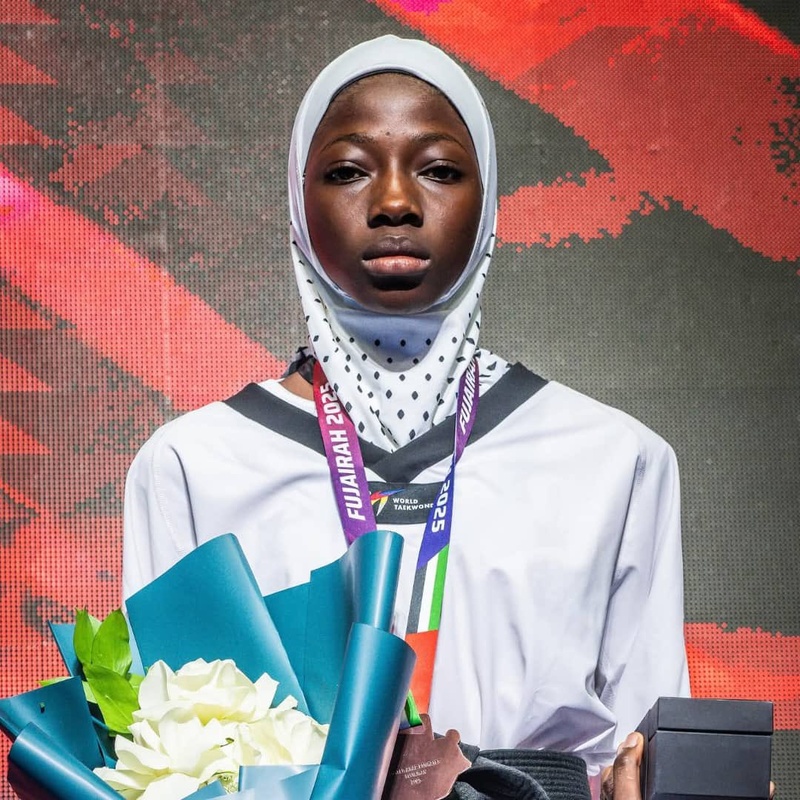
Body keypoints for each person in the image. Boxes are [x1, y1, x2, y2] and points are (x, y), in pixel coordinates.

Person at [122, 35, 689, 796]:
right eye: (350, 171)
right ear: (297, 199)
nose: (395, 201)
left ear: (487, 201)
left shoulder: (616, 461)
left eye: (440, 170)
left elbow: (648, 759)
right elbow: (161, 757)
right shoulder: (191, 466)